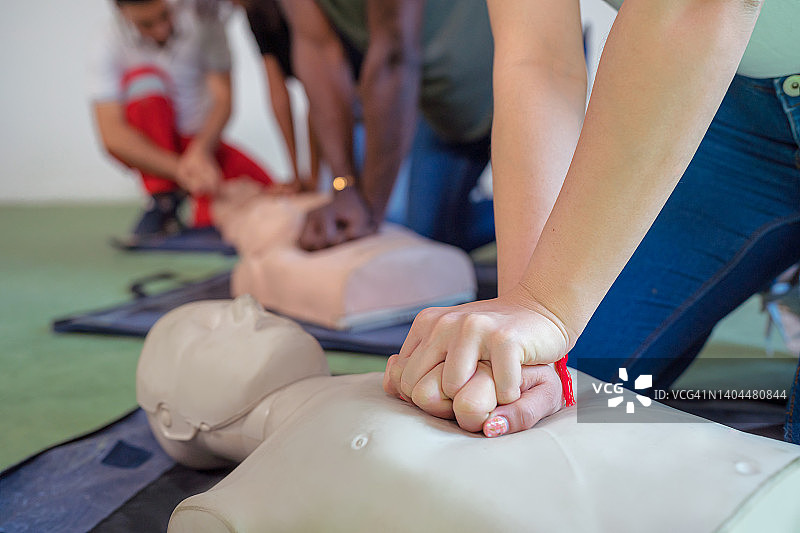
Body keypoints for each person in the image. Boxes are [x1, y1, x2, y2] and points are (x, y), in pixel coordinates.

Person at [387, 0, 800, 444]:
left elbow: (696, 6)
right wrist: (522, 339)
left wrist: (547, 306)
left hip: (703, 42)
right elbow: (538, 60)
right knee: (559, 381)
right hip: (735, 103)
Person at [136, 297, 800, 532]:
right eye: (209, 328)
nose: (248, 306)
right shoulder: (235, 502)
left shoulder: (428, 352)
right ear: (175, 420)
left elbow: (605, 401)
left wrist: (556, 364)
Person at [277, 0, 495, 252]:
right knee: (425, 235)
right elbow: (317, 49)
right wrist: (344, 186)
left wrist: (370, 213)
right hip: (437, 108)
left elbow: (394, 53)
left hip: (505, 85)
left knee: (428, 238)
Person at [89, 0, 274, 238]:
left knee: (268, 191)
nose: (161, 29)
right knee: (143, 82)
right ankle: (164, 198)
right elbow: (112, 135)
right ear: (122, 13)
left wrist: (200, 152)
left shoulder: (205, 21)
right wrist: (181, 171)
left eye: (166, 15)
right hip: (160, 151)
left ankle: (191, 204)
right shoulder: (106, 42)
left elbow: (224, 100)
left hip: (201, 144)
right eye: (147, 24)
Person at [235, 0, 321, 193]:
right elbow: (278, 96)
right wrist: (296, 175)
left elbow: (318, 95)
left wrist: (314, 176)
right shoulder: (255, 13)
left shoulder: (301, 8)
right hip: (318, 84)